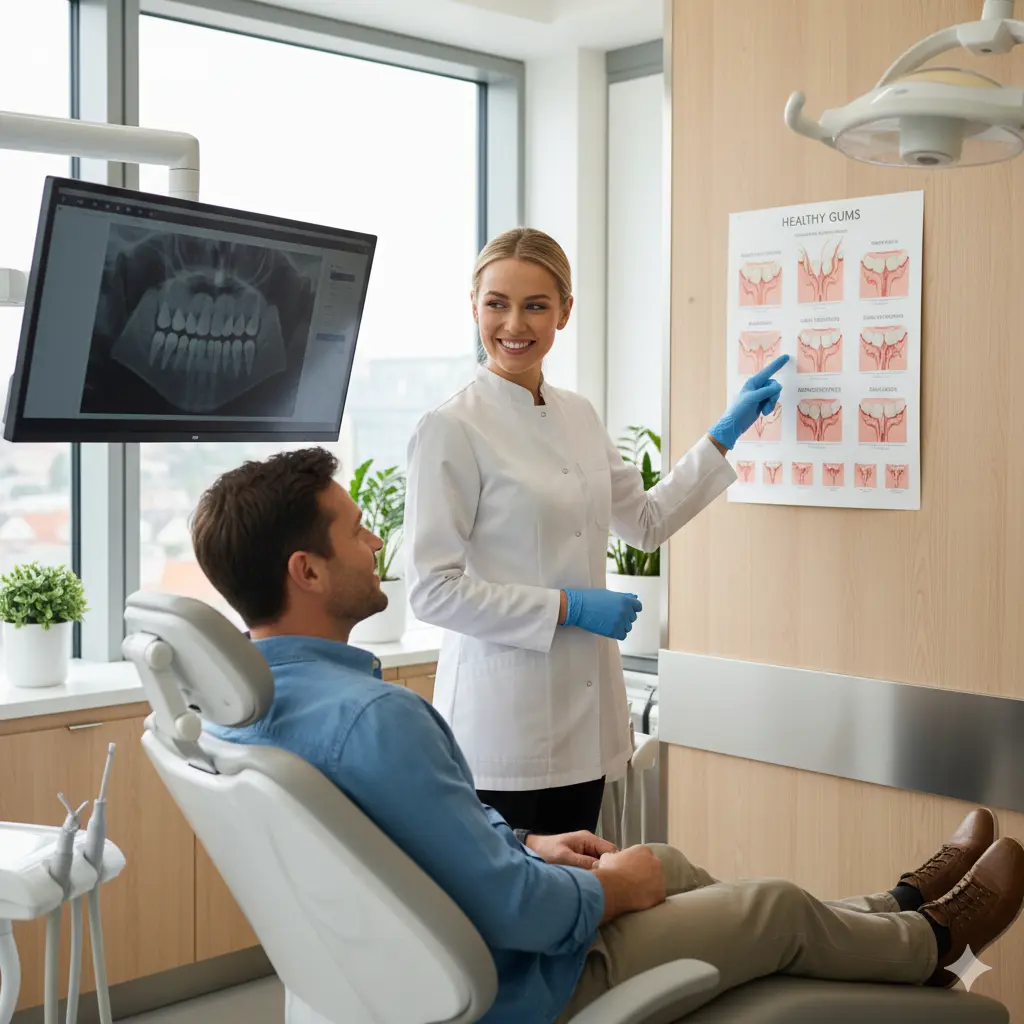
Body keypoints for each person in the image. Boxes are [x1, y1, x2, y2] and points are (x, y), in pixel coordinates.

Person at [189, 447, 1024, 1024]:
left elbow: (398, 846)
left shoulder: (260, 708)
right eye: (354, 531)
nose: (376, 544)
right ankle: (934, 942)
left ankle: (897, 909)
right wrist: (612, 889)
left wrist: (524, 842)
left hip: (441, 956)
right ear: (305, 571)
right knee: (768, 910)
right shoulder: (372, 720)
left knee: (684, 870)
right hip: (520, 985)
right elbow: (515, 911)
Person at [402, 227, 790, 836]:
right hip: (502, 732)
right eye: (496, 303)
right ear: (473, 306)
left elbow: (645, 521)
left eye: (535, 305)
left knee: (581, 904)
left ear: (565, 311)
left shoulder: (577, 414)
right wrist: (568, 606)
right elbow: (432, 590)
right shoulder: (451, 428)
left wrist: (724, 434)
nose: (513, 323)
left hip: (586, 726)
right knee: (517, 916)